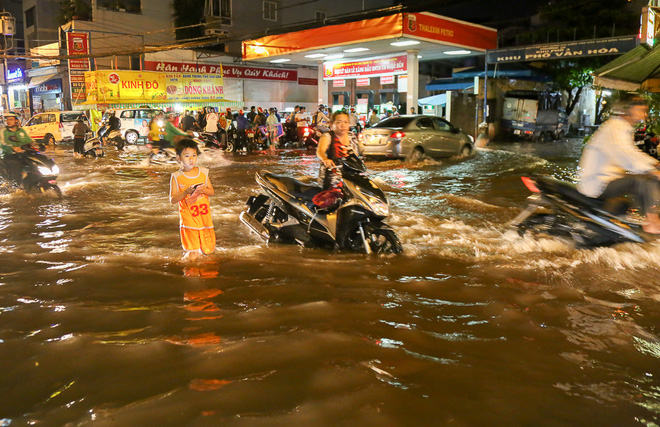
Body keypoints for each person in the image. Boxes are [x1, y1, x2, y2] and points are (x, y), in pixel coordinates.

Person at [577, 97, 660, 234]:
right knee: (642, 181)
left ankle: (644, 219)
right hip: (598, 183)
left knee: (646, 180)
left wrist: (655, 165)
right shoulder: (614, 127)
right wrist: (652, 170)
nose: (644, 115)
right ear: (629, 110)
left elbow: (632, 153)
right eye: (641, 110)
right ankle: (652, 223)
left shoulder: (623, 128)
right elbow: (624, 154)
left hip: (608, 180)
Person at [169, 138, 216, 260]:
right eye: (186, 156)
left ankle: (201, 275)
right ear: (178, 158)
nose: (191, 159)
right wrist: (185, 192)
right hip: (189, 220)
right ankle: (191, 276)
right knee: (193, 253)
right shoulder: (176, 177)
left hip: (204, 219)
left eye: (194, 155)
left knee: (207, 251)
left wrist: (203, 190)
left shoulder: (203, 173)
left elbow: (211, 191)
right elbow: (172, 200)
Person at [316, 110, 359, 191]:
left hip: (349, 177)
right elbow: (320, 151)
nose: (343, 125)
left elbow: (355, 155)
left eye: (346, 122)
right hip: (332, 177)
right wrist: (325, 159)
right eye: (339, 122)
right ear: (332, 124)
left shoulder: (352, 136)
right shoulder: (327, 136)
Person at [0, 112, 35, 185]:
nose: (8, 121)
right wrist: (13, 148)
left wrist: (40, 146)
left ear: (16, 120)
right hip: (9, 156)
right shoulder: (3, 132)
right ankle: (16, 186)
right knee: (16, 166)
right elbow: (2, 144)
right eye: (7, 119)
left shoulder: (21, 131)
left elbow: (29, 141)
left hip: (23, 155)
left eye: (11, 119)